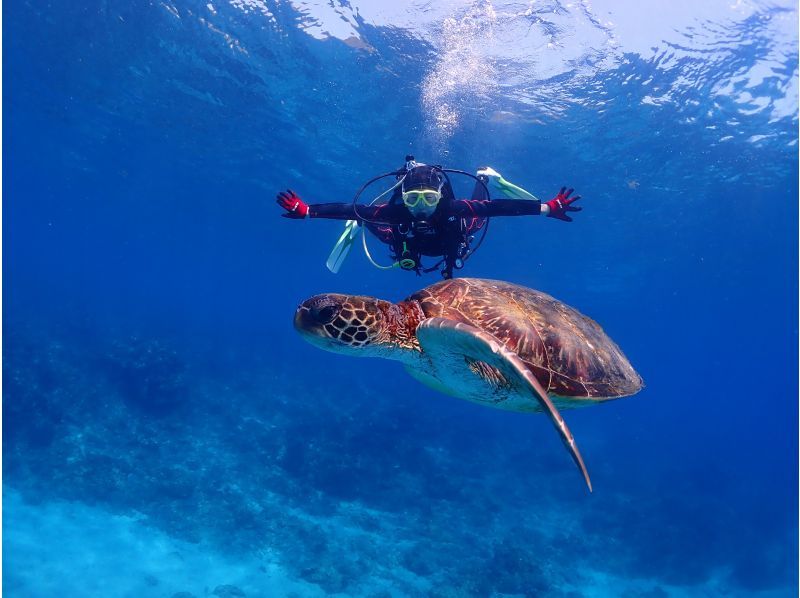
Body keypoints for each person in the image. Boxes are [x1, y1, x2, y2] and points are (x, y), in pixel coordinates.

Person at [276, 156, 582, 279]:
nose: (421, 205)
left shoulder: (453, 209)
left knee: (479, 208)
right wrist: (307, 211)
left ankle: (487, 178)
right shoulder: (398, 212)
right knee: (366, 216)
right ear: (404, 197)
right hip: (406, 239)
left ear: (441, 197)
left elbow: (498, 208)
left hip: (454, 235)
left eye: (429, 198)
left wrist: (547, 208)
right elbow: (346, 207)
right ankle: (363, 223)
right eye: (413, 198)